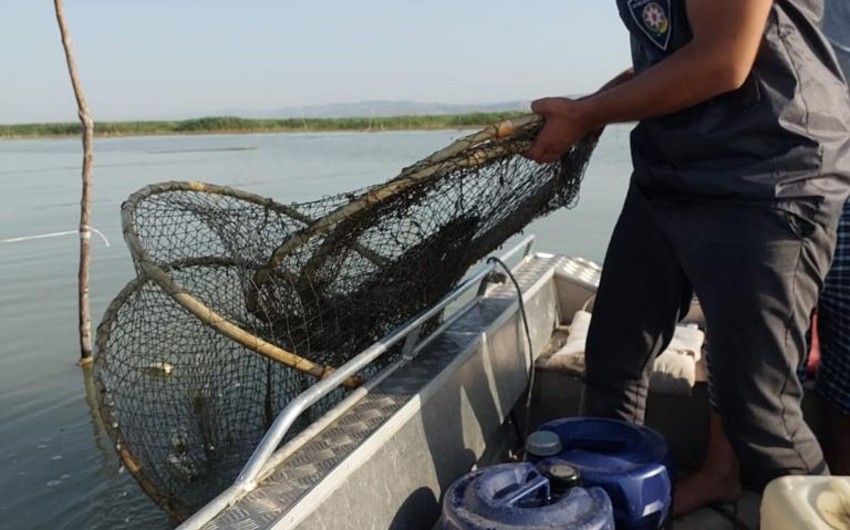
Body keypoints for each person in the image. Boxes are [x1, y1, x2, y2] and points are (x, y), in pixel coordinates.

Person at [525, 0, 850, 506]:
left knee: (759, 413)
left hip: (768, 175)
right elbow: (670, 54)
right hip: (671, 174)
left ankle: (819, 512)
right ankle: (608, 507)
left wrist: (590, 113)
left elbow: (724, 58)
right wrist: (589, 105)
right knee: (614, 356)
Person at [661, 0, 850, 514]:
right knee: (742, 333)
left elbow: (722, 59)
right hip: (775, 153)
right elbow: (718, 47)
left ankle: (830, 498)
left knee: (836, 352)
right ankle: (724, 472)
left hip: (816, 152)